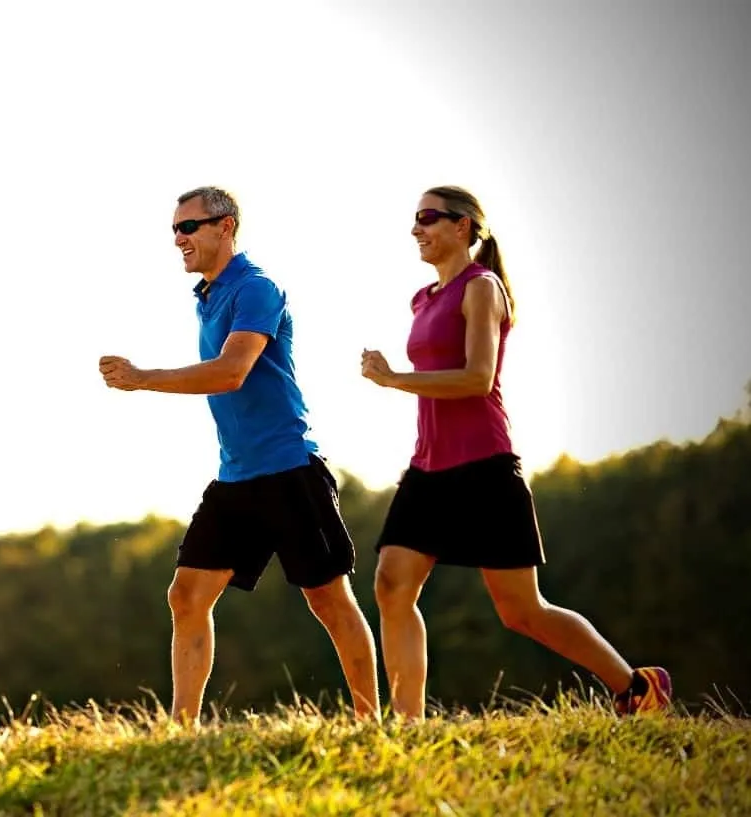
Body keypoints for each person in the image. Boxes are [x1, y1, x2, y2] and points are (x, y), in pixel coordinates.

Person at [359, 184, 672, 720]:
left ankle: (635, 686)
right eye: (414, 219)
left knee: (522, 610)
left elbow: (479, 379)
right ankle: (406, 723)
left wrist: (392, 380)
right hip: (428, 467)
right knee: (392, 584)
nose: (417, 229)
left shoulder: (483, 288)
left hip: (484, 466)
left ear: (463, 227)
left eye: (428, 218)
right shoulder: (423, 298)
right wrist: (396, 380)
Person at [98, 185, 381, 725]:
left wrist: (142, 379)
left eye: (189, 227)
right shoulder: (207, 295)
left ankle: (372, 725)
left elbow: (232, 372)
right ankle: (181, 730)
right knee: (186, 595)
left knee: (329, 600)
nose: (178, 239)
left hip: (290, 471)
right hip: (236, 479)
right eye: (174, 230)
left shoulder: (256, 288)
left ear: (225, 227)